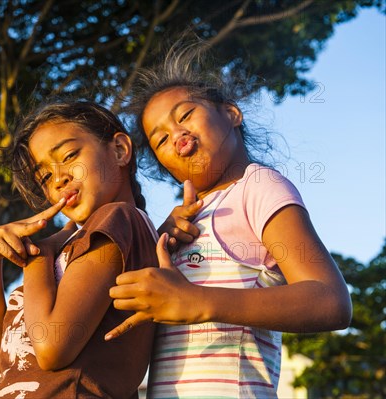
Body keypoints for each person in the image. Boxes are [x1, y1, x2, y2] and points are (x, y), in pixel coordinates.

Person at [106, 42, 352, 398]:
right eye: (160, 139)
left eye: (186, 115)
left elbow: (331, 301)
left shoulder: (257, 186)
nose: (176, 135)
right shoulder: (179, 227)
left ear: (232, 114)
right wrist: (161, 238)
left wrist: (197, 301)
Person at [0, 101, 160, 398]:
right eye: (45, 177)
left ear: (120, 150)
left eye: (70, 155)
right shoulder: (68, 247)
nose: (58, 178)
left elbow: (51, 347)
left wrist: (38, 256)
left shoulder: (118, 218)